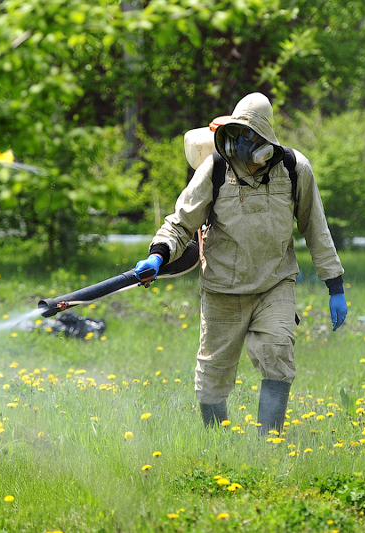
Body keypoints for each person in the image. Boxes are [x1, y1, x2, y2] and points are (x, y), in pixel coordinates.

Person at [133, 92, 347, 436]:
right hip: (222, 288)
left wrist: (334, 285)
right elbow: (181, 222)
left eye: (248, 134)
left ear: (265, 137)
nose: (240, 142)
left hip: (275, 283)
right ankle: (218, 443)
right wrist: (158, 255)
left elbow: (315, 228)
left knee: (278, 354)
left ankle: (269, 442)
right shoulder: (215, 168)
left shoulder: (294, 168)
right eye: (236, 133)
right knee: (212, 377)